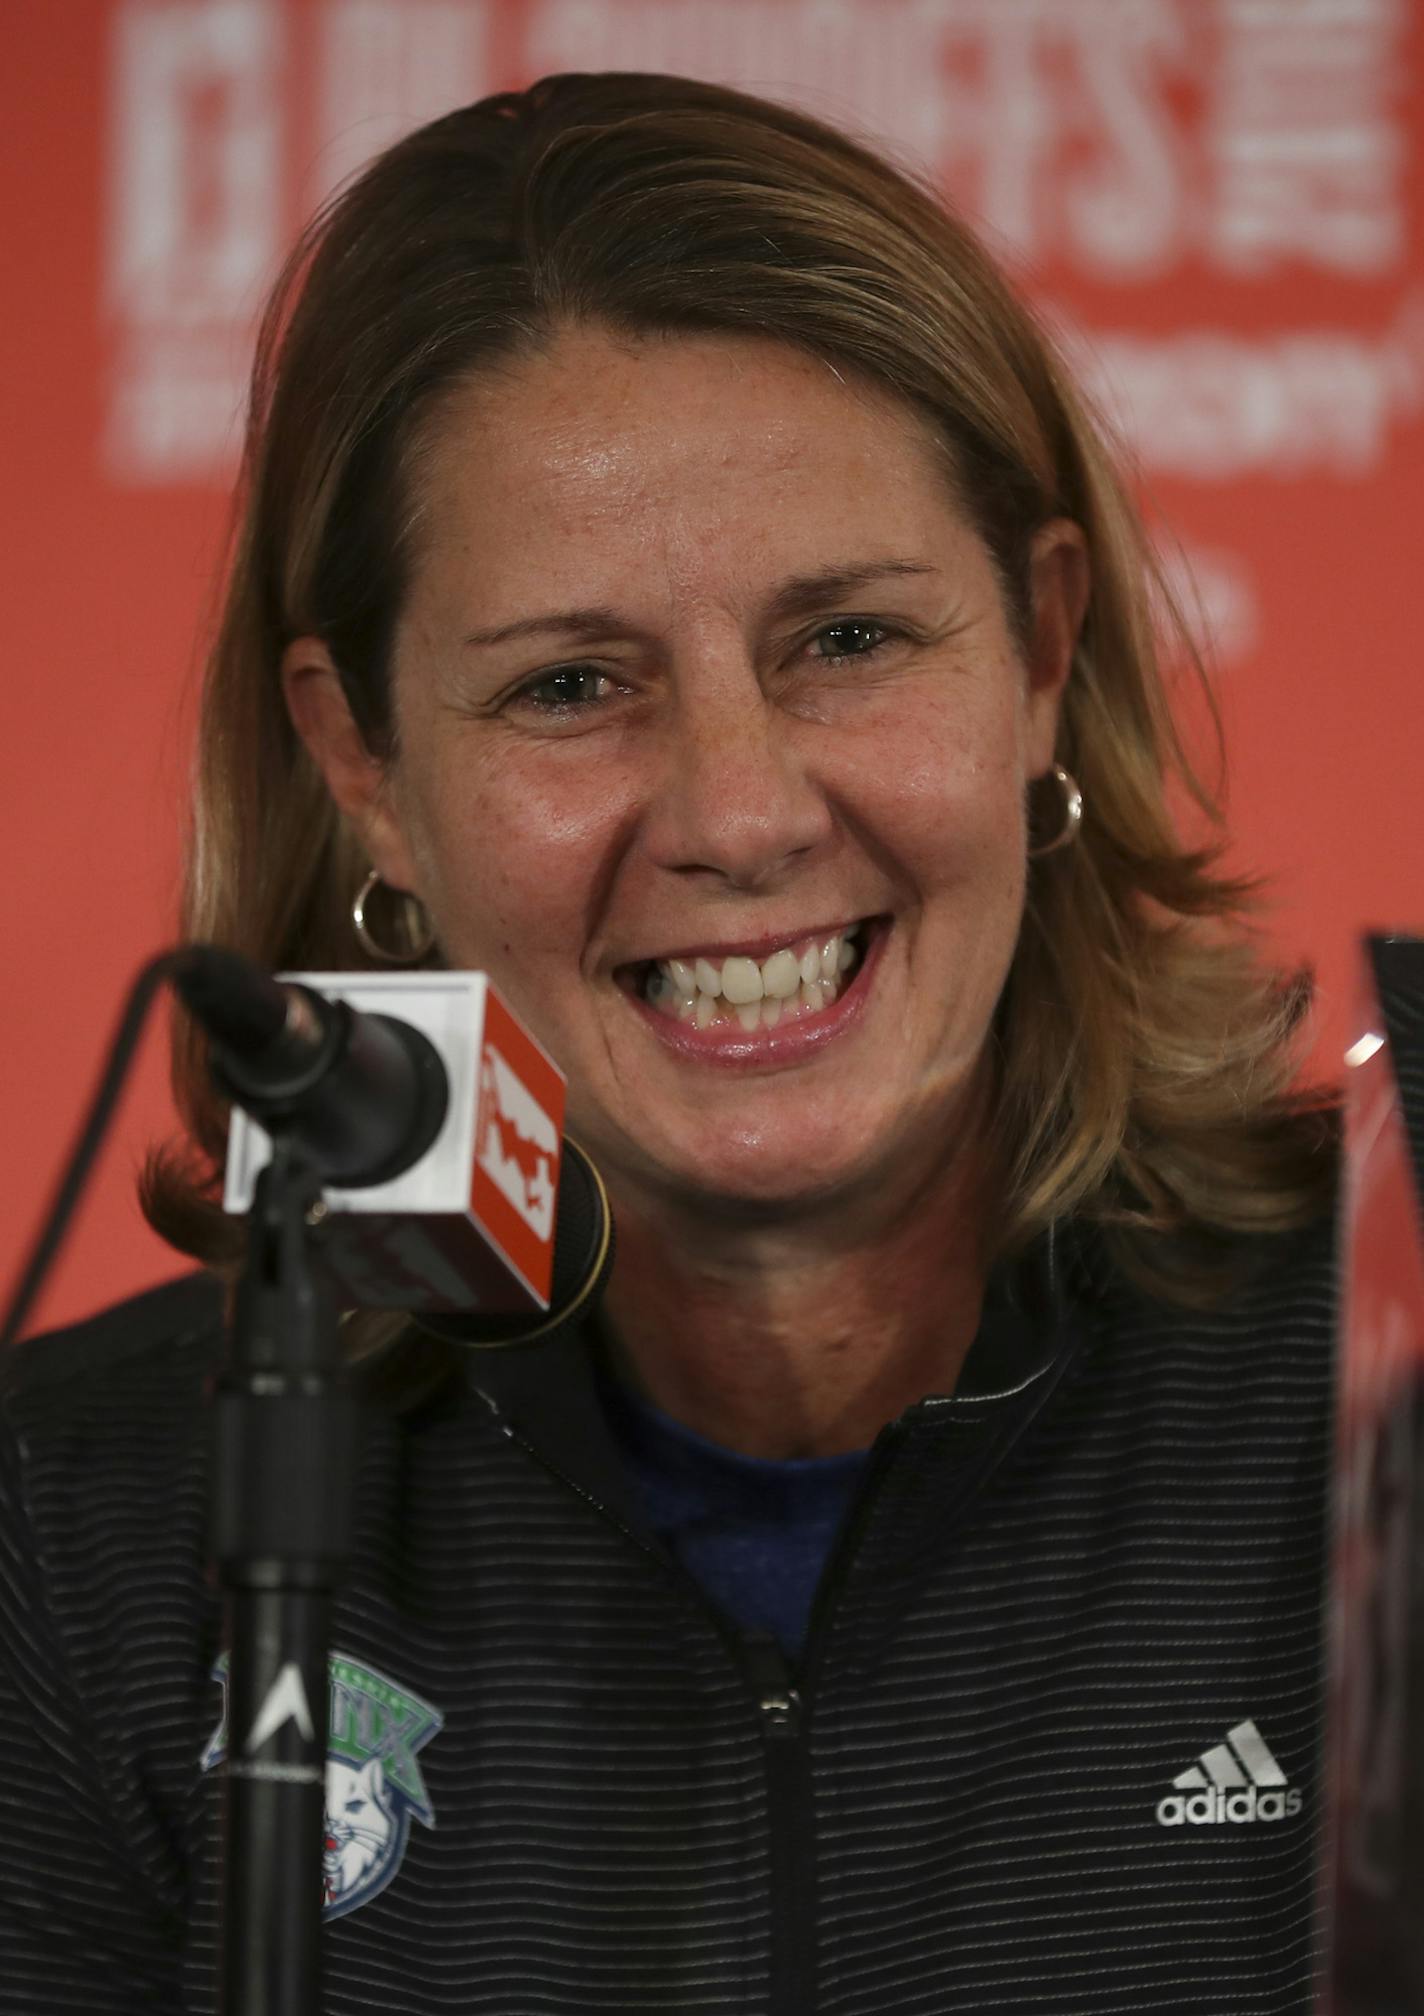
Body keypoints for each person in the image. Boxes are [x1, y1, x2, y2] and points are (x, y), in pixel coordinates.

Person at [0, 72, 1338, 2015]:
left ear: (1044, 648)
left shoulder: (1376, 1402)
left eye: (848, 641)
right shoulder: (82, 1531)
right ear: (364, 763)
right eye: (569, 683)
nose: (737, 809)